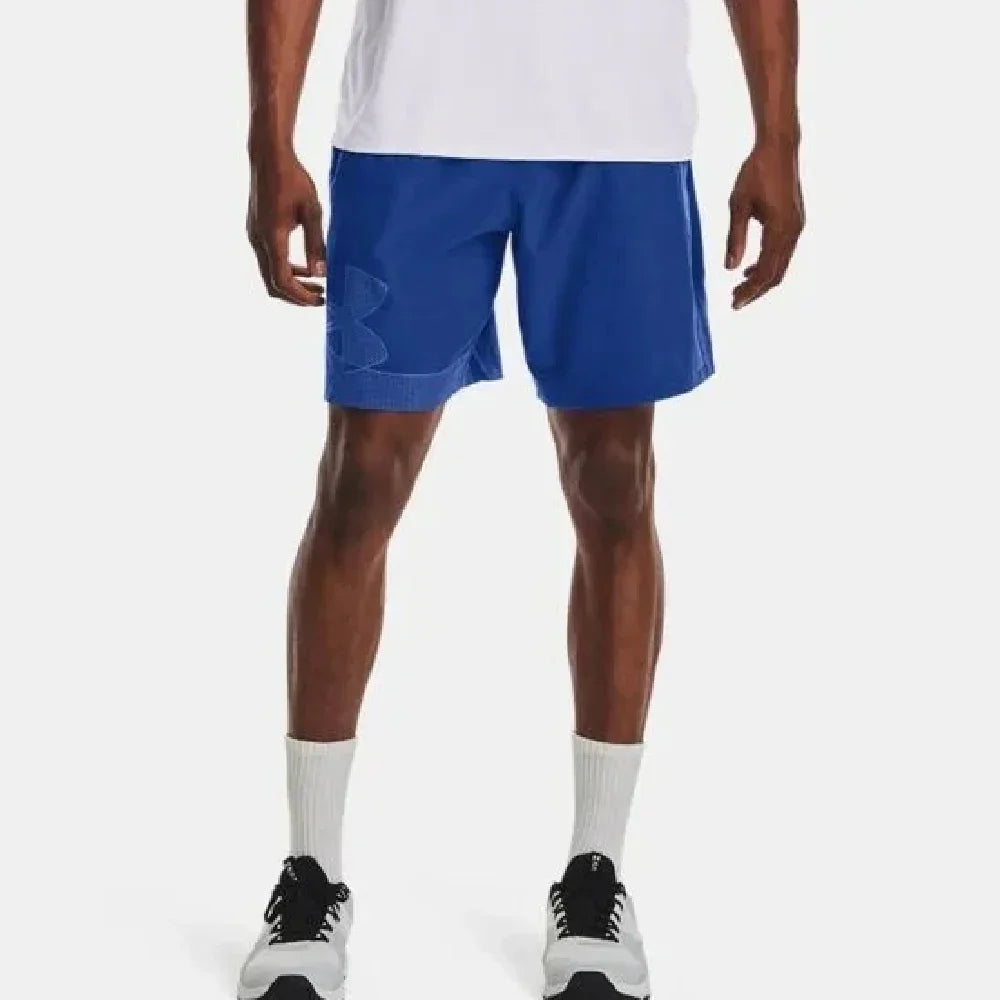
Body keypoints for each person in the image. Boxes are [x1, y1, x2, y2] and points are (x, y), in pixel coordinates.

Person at [238, 0, 804, 995]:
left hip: (618, 133)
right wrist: (266, 141)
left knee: (614, 480)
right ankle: (311, 871)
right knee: (361, 481)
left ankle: (595, 877)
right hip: (412, 125)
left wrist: (780, 134)